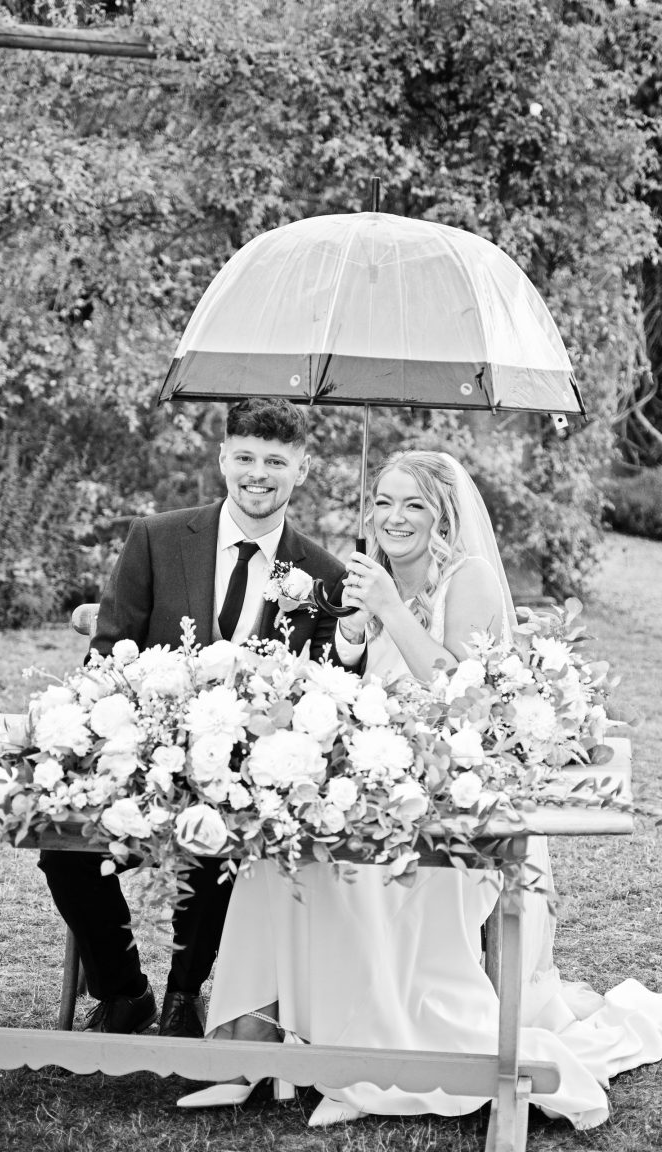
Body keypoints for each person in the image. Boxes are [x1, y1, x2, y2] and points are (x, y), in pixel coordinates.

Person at [177, 450, 662, 1130]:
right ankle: (247, 1046)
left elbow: (466, 699)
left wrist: (388, 610)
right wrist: (351, 636)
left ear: (442, 516)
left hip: (457, 809)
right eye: (382, 502)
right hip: (370, 784)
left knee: (363, 879)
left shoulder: (469, 579)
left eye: (413, 505)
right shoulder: (365, 576)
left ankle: (363, 1059)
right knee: (275, 860)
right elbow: (344, 688)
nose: (393, 517)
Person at [39, 398, 355, 1038]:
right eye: (245, 457)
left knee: (223, 841)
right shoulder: (155, 538)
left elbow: (324, 695)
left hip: (244, 781)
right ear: (222, 459)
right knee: (63, 849)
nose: (258, 474)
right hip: (142, 763)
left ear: (301, 469)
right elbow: (106, 655)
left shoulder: (324, 575)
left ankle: (186, 995)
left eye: (275, 462)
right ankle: (123, 991)